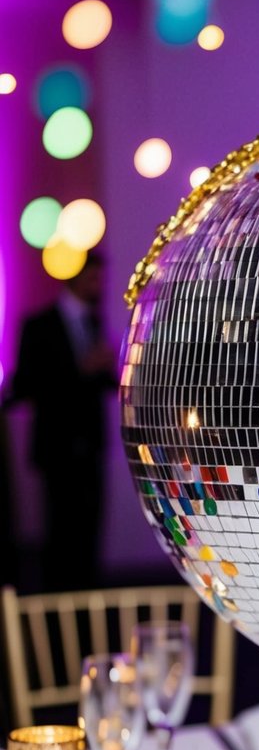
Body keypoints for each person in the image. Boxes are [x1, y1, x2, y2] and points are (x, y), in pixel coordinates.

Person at [6, 251, 117, 591]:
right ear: (75, 277)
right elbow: (24, 386)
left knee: (90, 533)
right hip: (56, 448)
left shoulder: (95, 322)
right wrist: (82, 369)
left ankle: (86, 610)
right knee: (59, 535)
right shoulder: (38, 325)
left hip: (92, 445)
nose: (98, 285)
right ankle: (56, 615)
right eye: (93, 278)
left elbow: (102, 384)